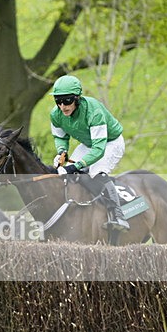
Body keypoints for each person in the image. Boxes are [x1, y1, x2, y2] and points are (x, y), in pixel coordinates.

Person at [49, 75, 130, 231]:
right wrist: (62, 152)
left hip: (110, 143)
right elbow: (60, 137)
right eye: (58, 101)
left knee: (97, 173)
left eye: (67, 101)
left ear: (77, 98)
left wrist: (74, 166)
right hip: (88, 144)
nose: (62, 106)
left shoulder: (94, 112)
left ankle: (118, 216)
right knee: (70, 175)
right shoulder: (55, 114)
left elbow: (99, 150)